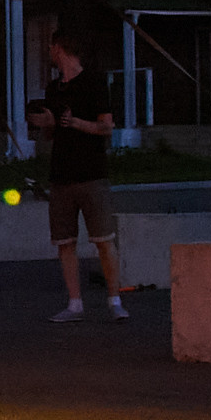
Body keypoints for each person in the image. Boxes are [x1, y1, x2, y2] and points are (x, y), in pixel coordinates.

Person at [28, 32, 127, 322]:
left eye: (51, 47)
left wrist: (75, 123)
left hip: (91, 173)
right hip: (61, 175)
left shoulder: (94, 82)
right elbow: (51, 133)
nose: (49, 52)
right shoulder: (53, 88)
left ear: (60, 48)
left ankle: (115, 299)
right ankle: (74, 303)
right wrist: (47, 124)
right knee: (65, 242)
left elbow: (106, 127)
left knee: (104, 239)